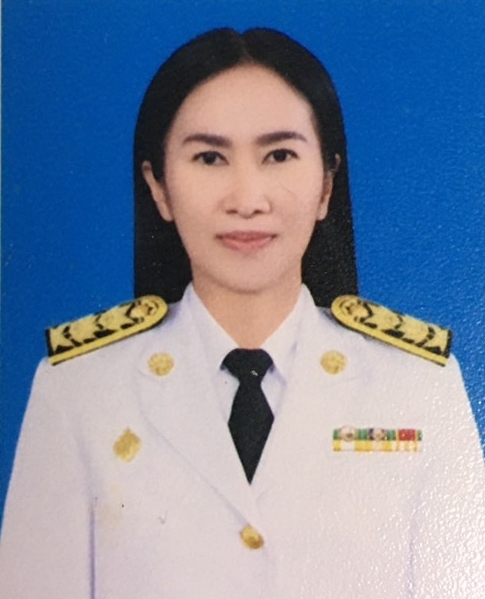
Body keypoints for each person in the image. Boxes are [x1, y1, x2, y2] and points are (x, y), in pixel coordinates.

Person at [1, 27, 484, 599]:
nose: (247, 199)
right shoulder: (78, 392)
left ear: (326, 185)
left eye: (279, 155)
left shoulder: (418, 387)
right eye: (209, 157)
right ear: (159, 186)